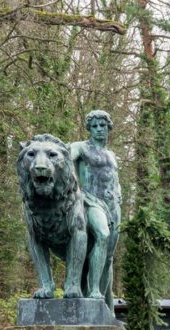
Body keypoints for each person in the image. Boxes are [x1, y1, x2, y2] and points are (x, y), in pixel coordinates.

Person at [69, 110, 122, 308]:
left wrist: (119, 190)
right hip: (91, 201)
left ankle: (105, 306)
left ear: (108, 128)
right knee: (102, 234)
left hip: (113, 206)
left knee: (108, 258)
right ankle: (93, 291)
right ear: (89, 129)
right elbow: (64, 160)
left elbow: (113, 178)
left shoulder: (112, 155)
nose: (99, 129)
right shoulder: (80, 147)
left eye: (102, 125)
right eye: (95, 126)